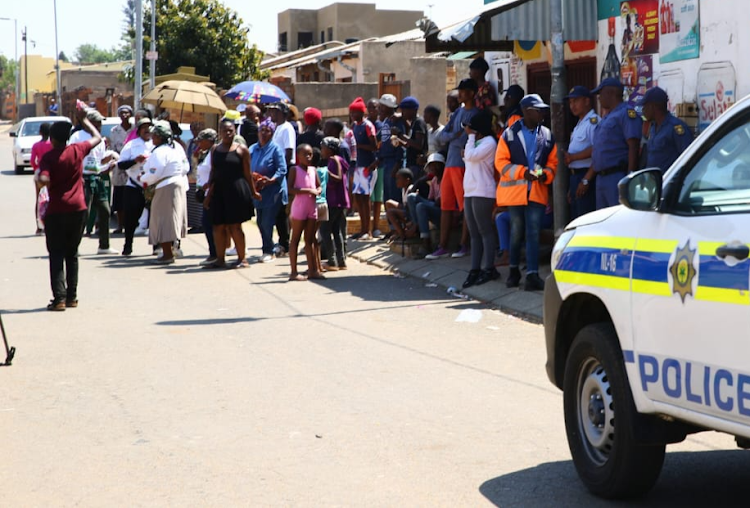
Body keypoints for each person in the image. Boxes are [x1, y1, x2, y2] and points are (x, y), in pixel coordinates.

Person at [38, 117, 102, 310]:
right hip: (78, 209)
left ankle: (59, 299)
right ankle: (72, 297)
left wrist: (41, 180)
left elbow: (43, 178)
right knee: (72, 253)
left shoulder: (49, 157)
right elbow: (98, 137)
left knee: (56, 253)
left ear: (52, 139)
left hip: (57, 210)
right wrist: (84, 120)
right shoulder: (77, 149)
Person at [495, 94, 558, 291]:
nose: (542, 113)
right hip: (516, 194)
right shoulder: (509, 134)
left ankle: (532, 275)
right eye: (538, 110)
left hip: (536, 192)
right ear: (526, 111)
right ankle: (514, 271)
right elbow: (501, 163)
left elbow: (552, 163)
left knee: (533, 234)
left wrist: (544, 175)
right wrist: (523, 173)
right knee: (516, 233)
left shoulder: (547, 134)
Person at [427, 78, 477, 259]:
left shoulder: (475, 114)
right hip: (449, 163)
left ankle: (464, 244)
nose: (460, 94)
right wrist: (456, 135)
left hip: (463, 165)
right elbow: (443, 136)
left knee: (465, 207)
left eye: (463, 91)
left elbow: (467, 139)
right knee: (446, 206)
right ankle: (442, 245)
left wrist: (454, 137)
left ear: (472, 93)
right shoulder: (457, 114)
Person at [202, 119, 260, 269]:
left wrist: (253, 192)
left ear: (235, 131)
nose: (228, 133)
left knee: (235, 226)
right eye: (224, 130)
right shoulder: (214, 149)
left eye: (230, 130)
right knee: (218, 226)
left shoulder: (242, 150)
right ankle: (220, 259)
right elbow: (213, 171)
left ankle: (242, 259)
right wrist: (208, 193)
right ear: (219, 132)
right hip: (219, 192)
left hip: (236, 191)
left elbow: (248, 174)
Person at [581, 77, 642, 210]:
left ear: (610, 93)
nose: (599, 98)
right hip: (601, 178)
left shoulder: (626, 113)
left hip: (616, 176)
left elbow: (633, 146)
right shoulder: (607, 117)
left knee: (618, 218)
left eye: (600, 94)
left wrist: (630, 177)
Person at [139, 120, 189, 265]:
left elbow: (155, 172)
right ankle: (170, 250)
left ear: (160, 137)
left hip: (166, 186)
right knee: (170, 219)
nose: (152, 137)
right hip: (174, 184)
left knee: (163, 220)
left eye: (154, 135)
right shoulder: (172, 148)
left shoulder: (161, 151)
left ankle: (167, 254)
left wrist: (143, 178)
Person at [69, 109, 118, 254]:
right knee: (83, 214)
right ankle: (74, 246)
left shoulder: (101, 140)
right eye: (95, 123)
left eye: (100, 123)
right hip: (83, 178)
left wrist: (108, 164)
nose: (99, 126)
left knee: (105, 210)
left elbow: (99, 160)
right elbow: (72, 156)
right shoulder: (78, 136)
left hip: (97, 178)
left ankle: (104, 245)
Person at [461, 111, 499, 288]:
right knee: (473, 233)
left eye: (471, 129)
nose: (468, 131)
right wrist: (470, 140)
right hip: (469, 190)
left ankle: (489, 268)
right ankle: (474, 269)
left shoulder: (489, 143)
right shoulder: (475, 142)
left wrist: (470, 138)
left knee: (485, 231)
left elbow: (469, 156)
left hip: (483, 191)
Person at [367, 94, 406, 238]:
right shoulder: (385, 123)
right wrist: (377, 160)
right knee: (387, 196)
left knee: (394, 197)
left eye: (383, 107)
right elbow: (380, 142)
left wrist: (397, 165)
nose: (381, 110)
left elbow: (399, 146)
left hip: (394, 162)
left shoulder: (396, 123)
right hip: (385, 162)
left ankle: (399, 229)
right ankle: (392, 228)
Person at [251, 117, 287, 263]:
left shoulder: (275, 149)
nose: (264, 133)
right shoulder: (253, 148)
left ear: (272, 133)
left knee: (267, 222)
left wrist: (270, 180)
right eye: (262, 130)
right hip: (258, 191)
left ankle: (268, 250)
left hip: (273, 190)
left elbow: (282, 169)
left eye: (268, 131)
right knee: (260, 221)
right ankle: (269, 246)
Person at [117, 117, 153, 256]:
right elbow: (121, 164)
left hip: (151, 186)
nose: (147, 130)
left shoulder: (156, 144)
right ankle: (128, 245)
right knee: (131, 217)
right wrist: (135, 160)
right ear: (139, 130)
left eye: (149, 127)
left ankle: (156, 246)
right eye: (144, 127)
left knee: (154, 218)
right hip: (134, 185)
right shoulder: (131, 145)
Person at [288, 144, 323, 281]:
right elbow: (290, 189)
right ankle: (293, 272)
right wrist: (308, 191)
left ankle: (313, 270)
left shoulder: (313, 170)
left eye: (310, 154)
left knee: (310, 240)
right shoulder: (294, 170)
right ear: (298, 156)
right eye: (305, 154)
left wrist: (318, 191)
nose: (308, 157)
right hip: (299, 208)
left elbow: (318, 185)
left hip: (311, 207)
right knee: (295, 239)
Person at [565, 86, 599, 220]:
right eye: (570, 102)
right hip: (575, 177)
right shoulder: (580, 123)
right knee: (576, 218)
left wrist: (586, 180)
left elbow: (597, 150)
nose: (572, 106)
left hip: (586, 176)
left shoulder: (593, 122)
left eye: (576, 101)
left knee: (585, 219)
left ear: (586, 101)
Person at [642, 86, 693, 172]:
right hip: (653, 181)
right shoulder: (653, 127)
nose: (643, 110)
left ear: (653, 106)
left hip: (668, 181)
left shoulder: (675, 127)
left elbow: (689, 157)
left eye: (645, 106)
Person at [267, 101, 295, 256]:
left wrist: (281, 171)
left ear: (283, 113)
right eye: (271, 111)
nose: (272, 114)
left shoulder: (287, 128)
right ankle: (281, 241)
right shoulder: (276, 128)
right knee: (276, 209)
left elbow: (288, 152)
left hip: (284, 170)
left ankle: (285, 242)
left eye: (275, 111)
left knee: (282, 209)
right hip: (276, 171)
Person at [349, 97, 378, 240]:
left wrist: (359, 146)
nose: (353, 115)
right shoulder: (354, 126)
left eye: (355, 112)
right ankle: (362, 229)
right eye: (352, 112)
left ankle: (369, 230)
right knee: (358, 198)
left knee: (366, 198)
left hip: (367, 165)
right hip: (357, 166)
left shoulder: (368, 126)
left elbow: (374, 146)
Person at [319, 137, 350, 271]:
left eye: (323, 148)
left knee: (325, 229)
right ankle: (341, 261)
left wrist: (325, 172)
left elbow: (337, 178)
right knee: (337, 230)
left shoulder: (334, 160)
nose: (321, 151)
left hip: (334, 201)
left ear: (330, 149)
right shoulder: (339, 160)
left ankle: (332, 261)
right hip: (340, 201)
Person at [407, 153, 443, 257]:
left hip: (443, 211)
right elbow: (431, 198)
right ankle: (417, 225)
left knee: (420, 206)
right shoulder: (434, 180)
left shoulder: (445, 178)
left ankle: (425, 242)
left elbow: (440, 201)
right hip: (434, 205)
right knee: (412, 197)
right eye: (431, 166)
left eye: (435, 165)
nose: (433, 168)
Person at [193, 128, 218, 266]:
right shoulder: (207, 152)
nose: (199, 144)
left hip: (211, 194)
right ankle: (213, 253)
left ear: (209, 141)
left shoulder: (214, 152)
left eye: (201, 141)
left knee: (209, 224)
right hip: (205, 193)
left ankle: (215, 254)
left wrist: (208, 191)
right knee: (208, 224)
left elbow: (214, 172)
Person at [109, 105, 134, 235]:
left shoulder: (135, 129)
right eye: (122, 113)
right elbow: (113, 148)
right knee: (119, 198)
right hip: (119, 168)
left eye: (127, 113)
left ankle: (132, 224)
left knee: (131, 197)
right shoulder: (115, 131)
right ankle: (120, 225)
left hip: (133, 166)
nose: (124, 115)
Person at [397, 96, 428, 180]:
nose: (402, 112)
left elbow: (418, 145)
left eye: (404, 110)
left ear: (413, 110)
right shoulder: (413, 123)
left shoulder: (419, 123)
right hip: (411, 163)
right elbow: (411, 143)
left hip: (417, 166)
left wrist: (400, 134)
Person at [31, 122, 53, 235]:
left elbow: (32, 160)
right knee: (51, 197)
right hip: (51, 172)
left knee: (38, 199)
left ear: (40, 132)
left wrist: (37, 168)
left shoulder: (36, 145)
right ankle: (50, 224)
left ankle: (39, 227)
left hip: (39, 172)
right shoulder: (52, 144)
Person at [384, 168, 415, 242]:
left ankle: (401, 234)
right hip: (406, 211)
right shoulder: (403, 189)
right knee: (389, 203)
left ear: (407, 180)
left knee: (390, 212)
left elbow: (411, 209)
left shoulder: (411, 189)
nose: (396, 181)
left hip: (410, 215)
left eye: (398, 179)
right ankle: (396, 230)